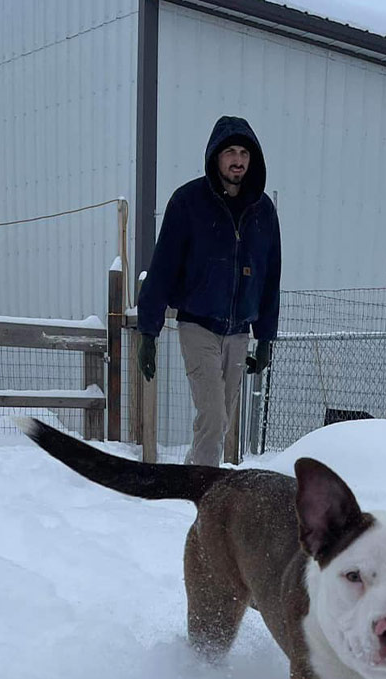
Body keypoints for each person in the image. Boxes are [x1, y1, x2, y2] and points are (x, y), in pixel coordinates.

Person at [136, 115, 281, 466]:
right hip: (197, 325)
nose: (238, 160)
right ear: (216, 156)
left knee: (219, 421)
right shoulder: (188, 203)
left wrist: (265, 338)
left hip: (238, 331)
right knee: (214, 418)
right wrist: (148, 332)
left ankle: (192, 480)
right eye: (230, 151)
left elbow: (270, 276)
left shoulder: (263, 211)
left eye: (244, 153)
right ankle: (204, 497)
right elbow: (162, 268)